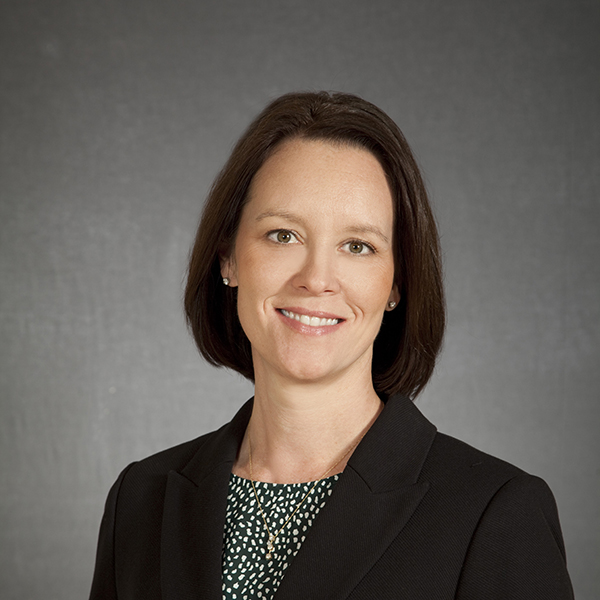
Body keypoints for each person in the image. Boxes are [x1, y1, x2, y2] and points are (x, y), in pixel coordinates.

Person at [89, 91, 574, 599]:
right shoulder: (141, 502)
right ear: (228, 257)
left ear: (395, 284)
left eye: (358, 246)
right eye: (282, 235)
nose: (317, 279)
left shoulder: (495, 515)